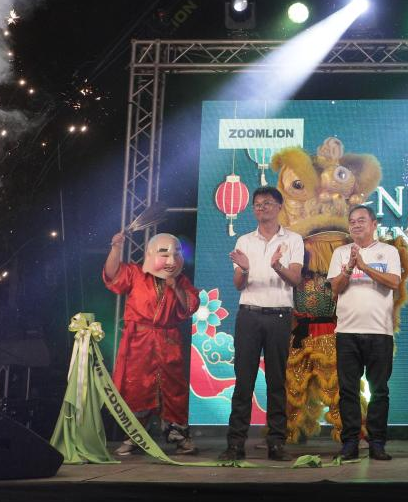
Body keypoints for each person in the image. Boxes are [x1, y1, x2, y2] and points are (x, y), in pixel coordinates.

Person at [220, 186, 305, 462]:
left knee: (276, 381)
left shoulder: (293, 239)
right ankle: (235, 444)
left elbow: (295, 280)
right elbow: (238, 284)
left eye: (267, 203)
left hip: (280, 315)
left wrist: (277, 265)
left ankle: (276, 443)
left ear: (279, 206)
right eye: (257, 204)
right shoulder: (244, 240)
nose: (261, 207)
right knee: (243, 381)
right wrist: (244, 269)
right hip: (249, 315)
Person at [103, 231, 200, 456]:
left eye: (176, 254)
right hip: (139, 341)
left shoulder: (182, 281)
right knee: (137, 387)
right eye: (164, 254)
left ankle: (179, 436)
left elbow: (189, 307)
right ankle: (135, 436)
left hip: (168, 341)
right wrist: (116, 248)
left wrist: (175, 287)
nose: (171, 259)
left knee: (173, 389)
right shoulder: (135, 274)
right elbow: (112, 275)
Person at [328, 204, 402, 460]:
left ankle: (377, 443)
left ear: (374, 224)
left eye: (361, 220)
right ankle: (350, 442)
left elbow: (394, 282)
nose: (356, 225)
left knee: (379, 390)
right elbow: (335, 289)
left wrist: (365, 266)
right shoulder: (340, 253)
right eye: (352, 221)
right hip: (347, 331)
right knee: (348, 390)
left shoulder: (389, 252)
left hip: (380, 332)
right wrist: (350, 267)